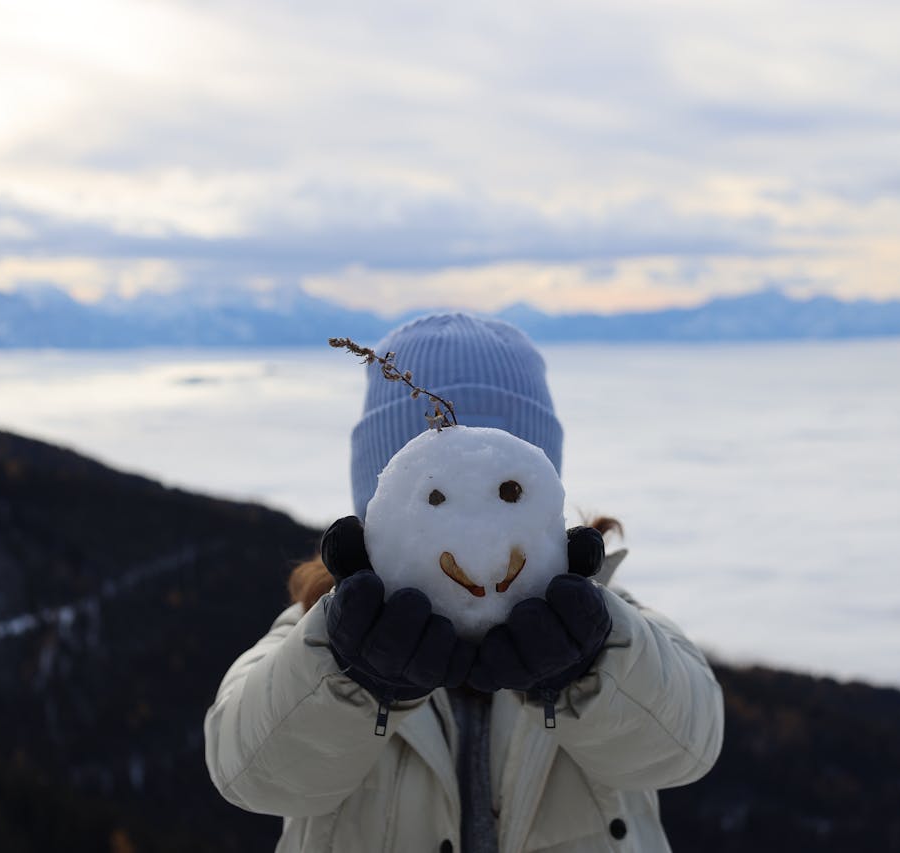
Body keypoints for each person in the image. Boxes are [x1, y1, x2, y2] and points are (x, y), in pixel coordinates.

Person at [205, 313, 723, 852]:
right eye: (435, 503)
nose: (475, 540)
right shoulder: (319, 633)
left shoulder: (604, 618)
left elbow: (687, 745)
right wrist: (351, 678)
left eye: (504, 496)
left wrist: (590, 669)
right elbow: (250, 774)